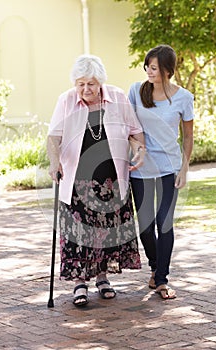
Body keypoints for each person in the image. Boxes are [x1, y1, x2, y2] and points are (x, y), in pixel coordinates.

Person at [47, 54, 145, 307]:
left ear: (100, 82)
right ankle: (80, 283)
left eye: (90, 83)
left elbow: (135, 132)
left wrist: (140, 150)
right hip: (78, 182)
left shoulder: (118, 98)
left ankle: (102, 279)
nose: (85, 89)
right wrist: (54, 162)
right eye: (80, 83)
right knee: (79, 235)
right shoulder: (66, 101)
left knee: (105, 233)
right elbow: (53, 138)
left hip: (111, 181)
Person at [128, 44, 194, 299]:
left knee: (164, 222)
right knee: (146, 226)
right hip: (141, 168)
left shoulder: (183, 98)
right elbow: (129, 127)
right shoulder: (136, 91)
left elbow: (188, 135)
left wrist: (184, 168)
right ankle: (155, 267)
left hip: (169, 168)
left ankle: (163, 280)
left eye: (153, 67)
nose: (148, 70)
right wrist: (138, 147)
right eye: (147, 66)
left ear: (168, 71)